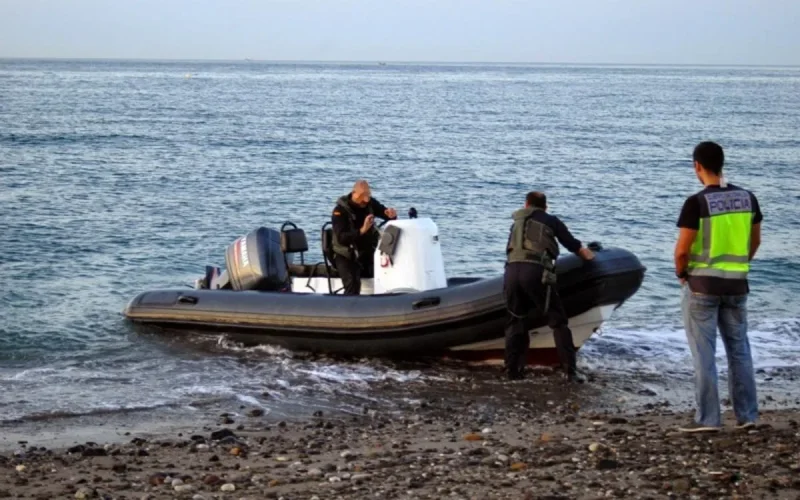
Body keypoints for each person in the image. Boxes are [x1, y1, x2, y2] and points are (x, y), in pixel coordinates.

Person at [674, 141, 762, 433]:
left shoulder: (697, 202)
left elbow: (682, 251)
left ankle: (708, 419)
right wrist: (738, 266)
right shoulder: (748, 198)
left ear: (697, 166)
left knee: (704, 354)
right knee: (740, 351)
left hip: (702, 286)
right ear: (722, 163)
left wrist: (682, 274)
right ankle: (747, 416)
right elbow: (755, 241)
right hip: (737, 285)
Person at [503, 191, 595, 382]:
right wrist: (590, 255)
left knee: (516, 321)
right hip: (535, 272)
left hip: (511, 273)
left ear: (526, 205)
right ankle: (570, 372)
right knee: (558, 321)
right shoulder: (551, 221)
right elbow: (573, 245)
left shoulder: (517, 223)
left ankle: (512, 371)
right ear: (545, 206)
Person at [330, 180, 397, 295]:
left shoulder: (370, 203)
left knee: (389, 272)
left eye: (368, 196)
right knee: (353, 283)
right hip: (346, 254)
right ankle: (349, 308)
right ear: (354, 193)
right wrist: (362, 230)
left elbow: (384, 212)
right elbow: (342, 238)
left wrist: (391, 214)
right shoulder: (340, 211)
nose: (365, 201)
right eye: (362, 198)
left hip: (367, 251)